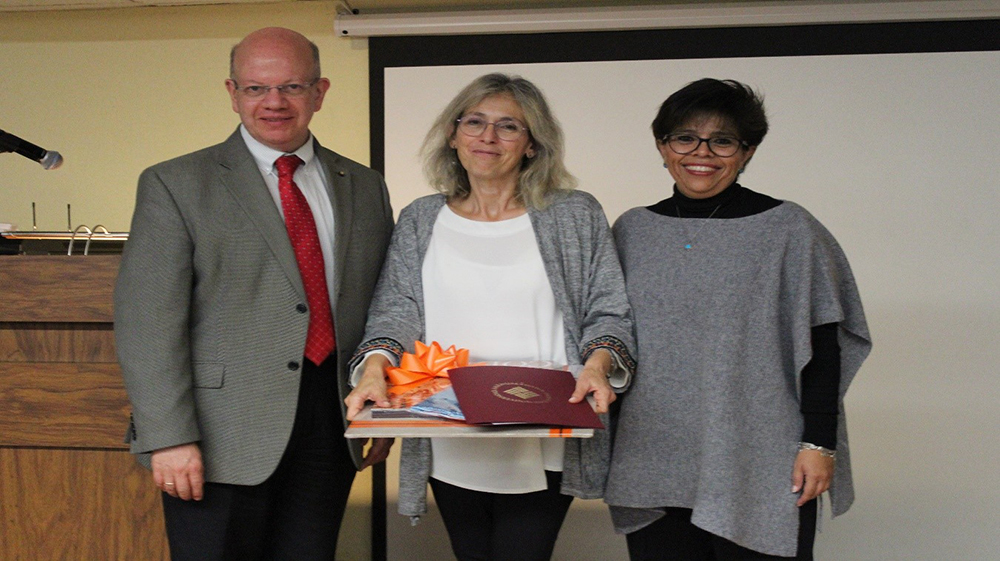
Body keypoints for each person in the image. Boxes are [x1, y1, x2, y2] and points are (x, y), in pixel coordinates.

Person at [114, 27, 394, 560]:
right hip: (218, 434)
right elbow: (147, 322)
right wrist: (168, 436)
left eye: (291, 86)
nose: (273, 103)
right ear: (232, 91)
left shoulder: (363, 184)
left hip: (331, 423)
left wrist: (383, 414)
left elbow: (380, 304)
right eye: (255, 88)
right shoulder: (175, 183)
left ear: (320, 91)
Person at [343, 73, 636, 561]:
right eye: (474, 122)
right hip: (449, 433)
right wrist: (374, 367)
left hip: (545, 431)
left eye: (508, 127)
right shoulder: (421, 218)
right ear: (453, 134)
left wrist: (599, 364)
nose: (488, 137)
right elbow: (395, 311)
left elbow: (608, 308)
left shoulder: (574, 215)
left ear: (532, 145)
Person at [605, 78, 872, 560]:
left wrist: (820, 443)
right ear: (662, 146)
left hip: (761, 454)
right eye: (684, 137)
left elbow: (825, 344)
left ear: (747, 152)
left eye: (723, 140)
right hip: (654, 453)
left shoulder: (788, 229)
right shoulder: (632, 230)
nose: (700, 152)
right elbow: (605, 332)